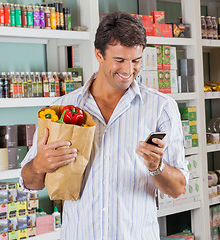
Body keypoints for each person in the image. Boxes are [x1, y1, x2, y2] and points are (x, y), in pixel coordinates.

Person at [20, 11, 189, 240]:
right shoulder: (61, 108)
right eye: (119, 60)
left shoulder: (161, 107)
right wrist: (39, 164)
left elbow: (178, 188)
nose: (129, 71)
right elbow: (29, 181)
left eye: (136, 61)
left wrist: (156, 166)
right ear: (99, 54)